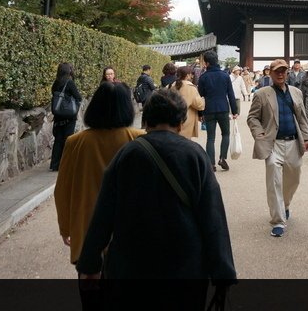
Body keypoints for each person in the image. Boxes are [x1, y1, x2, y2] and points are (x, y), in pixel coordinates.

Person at [76, 88, 236, 296]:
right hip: (185, 265)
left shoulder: (127, 153)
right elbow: (212, 216)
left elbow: (103, 214)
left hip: (131, 264)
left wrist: (89, 263)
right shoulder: (194, 154)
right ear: (181, 122)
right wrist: (222, 272)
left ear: (146, 121)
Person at [54, 81, 142, 269]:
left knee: (90, 289)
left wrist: (66, 227)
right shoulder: (139, 139)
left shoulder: (75, 142)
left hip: (87, 228)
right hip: (129, 230)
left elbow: (62, 189)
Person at [246, 59, 308, 237]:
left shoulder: (296, 92)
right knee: (274, 179)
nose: (280, 74)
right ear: (271, 73)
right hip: (273, 143)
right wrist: (259, 135)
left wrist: (306, 137)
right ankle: (278, 221)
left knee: (294, 177)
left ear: (287, 72)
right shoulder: (262, 94)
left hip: (293, 142)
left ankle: (285, 205)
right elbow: (252, 118)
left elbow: (302, 118)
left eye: (283, 71)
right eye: (277, 71)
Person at [197, 50, 239, 172]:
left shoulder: (204, 77)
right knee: (225, 134)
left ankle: (211, 163)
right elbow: (231, 94)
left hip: (209, 109)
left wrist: (200, 113)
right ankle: (222, 158)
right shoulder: (225, 75)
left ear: (207, 63)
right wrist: (234, 111)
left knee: (210, 137)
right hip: (223, 109)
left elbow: (200, 97)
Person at [50, 62, 82, 171]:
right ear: (69, 70)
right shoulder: (69, 82)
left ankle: (55, 164)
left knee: (58, 139)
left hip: (58, 115)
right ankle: (67, 163)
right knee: (68, 139)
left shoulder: (56, 83)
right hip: (69, 115)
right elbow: (78, 96)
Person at [171, 65, 205, 139]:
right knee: (184, 142)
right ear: (187, 75)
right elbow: (199, 105)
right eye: (190, 74)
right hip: (186, 118)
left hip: (173, 117)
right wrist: (203, 100)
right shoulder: (190, 87)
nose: (192, 76)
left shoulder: (173, 85)